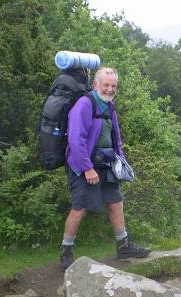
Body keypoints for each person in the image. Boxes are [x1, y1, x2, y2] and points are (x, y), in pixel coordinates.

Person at [60, 67, 149, 269]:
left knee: (116, 203)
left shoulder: (109, 106)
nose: (110, 89)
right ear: (95, 85)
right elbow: (75, 140)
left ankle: (123, 246)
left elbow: (116, 137)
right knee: (80, 208)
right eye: (106, 85)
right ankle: (65, 252)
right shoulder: (84, 104)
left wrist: (121, 161)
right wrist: (86, 168)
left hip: (107, 163)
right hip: (84, 165)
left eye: (113, 86)